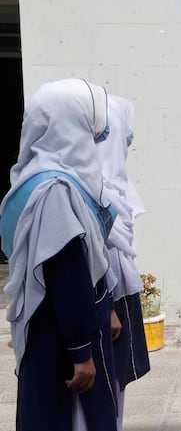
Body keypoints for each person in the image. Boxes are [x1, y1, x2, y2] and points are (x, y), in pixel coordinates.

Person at [0, 78, 118, 430]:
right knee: (71, 418)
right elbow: (68, 274)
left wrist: (108, 308)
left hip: (52, 329)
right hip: (64, 338)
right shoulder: (55, 190)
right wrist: (81, 353)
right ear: (73, 122)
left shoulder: (31, 179)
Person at [97, 94, 151, 430]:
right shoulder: (79, 187)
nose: (124, 144)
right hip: (101, 302)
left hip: (115, 295)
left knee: (114, 387)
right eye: (120, 136)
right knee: (101, 386)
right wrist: (109, 310)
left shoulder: (115, 183)